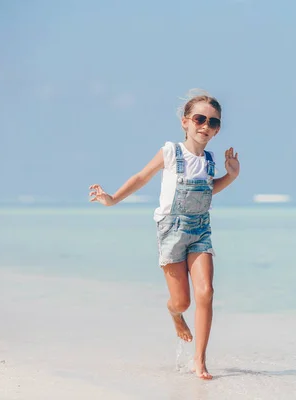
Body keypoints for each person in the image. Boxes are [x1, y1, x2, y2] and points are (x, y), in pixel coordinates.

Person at [88, 90, 239, 380]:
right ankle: (175, 315)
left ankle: (200, 361)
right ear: (186, 122)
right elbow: (141, 178)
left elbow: (208, 191)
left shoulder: (209, 160)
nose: (206, 126)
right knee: (182, 302)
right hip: (171, 231)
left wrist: (230, 176)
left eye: (214, 122)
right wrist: (113, 199)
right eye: (200, 119)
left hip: (200, 230)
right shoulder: (171, 151)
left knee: (206, 292)